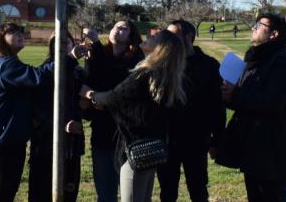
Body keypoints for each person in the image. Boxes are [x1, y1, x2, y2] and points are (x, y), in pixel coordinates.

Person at [0, 23, 83, 202]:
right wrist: (70, 57)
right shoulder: (5, 65)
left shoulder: (10, 63)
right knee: (1, 195)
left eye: (21, 31)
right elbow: (38, 77)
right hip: (2, 139)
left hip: (12, 138)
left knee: (8, 191)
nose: (20, 34)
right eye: (12, 32)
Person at [81, 30, 186, 202]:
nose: (148, 37)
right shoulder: (165, 76)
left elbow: (115, 97)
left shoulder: (144, 74)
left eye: (153, 38)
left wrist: (90, 94)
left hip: (136, 152)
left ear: (160, 48)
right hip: (153, 150)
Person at [219, 14, 286, 202]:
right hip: (252, 148)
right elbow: (244, 101)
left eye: (259, 25)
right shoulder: (257, 62)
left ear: (273, 34)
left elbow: (272, 103)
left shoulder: (285, 65)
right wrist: (228, 94)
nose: (253, 28)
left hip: (272, 151)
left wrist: (236, 95)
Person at [157, 20, 224, 202]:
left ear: (188, 37)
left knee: (198, 189)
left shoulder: (209, 65)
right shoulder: (162, 64)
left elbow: (217, 106)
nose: (168, 39)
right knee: (167, 191)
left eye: (173, 35)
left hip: (196, 139)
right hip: (167, 138)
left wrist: (216, 139)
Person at [82, 20, 144, 202]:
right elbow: (89, 80)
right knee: (105, 190)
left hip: (126, 133)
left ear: (131, 36)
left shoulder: (136, 58)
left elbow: (117, 78)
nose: (118, 30)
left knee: (129, 193)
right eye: (116, 26)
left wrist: (97, 45)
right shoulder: (97, 53)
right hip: (102, 129)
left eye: (124, 28)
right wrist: (91, 99)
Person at [28, 33, 87, 202]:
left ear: (72, 44)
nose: (62, 45)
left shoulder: (78, 72)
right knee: (43, 191)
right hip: (46, 143)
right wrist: (60, 125)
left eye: (66, 41)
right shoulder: (45, 70)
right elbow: (37, 110)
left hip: (72, 144)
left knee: (69, 190)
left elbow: (82, 104)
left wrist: (85, 106)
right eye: (57, 42)